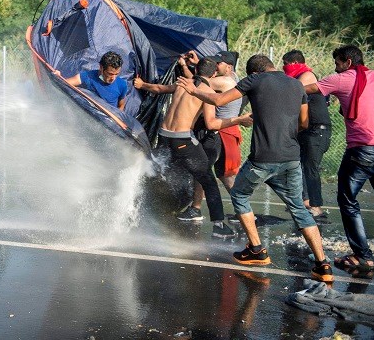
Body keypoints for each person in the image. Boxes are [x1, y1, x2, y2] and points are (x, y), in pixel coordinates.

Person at [177, 54, 334, 283]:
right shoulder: (297, 84)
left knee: (240, 195)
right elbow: (303, 123)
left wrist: (193, 91)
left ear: (254, 73)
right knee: (298, 208)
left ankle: (257, 249)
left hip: (263, 158)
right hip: (291, 157)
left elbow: (218, 101)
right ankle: (323, 264)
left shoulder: (254, 80)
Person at [135, 56, 252, 239]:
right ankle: (219, 226)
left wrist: (142, 84)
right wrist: (240, 119)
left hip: (164, 136)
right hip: (181, 140)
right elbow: (211, 124)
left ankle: (137, 210)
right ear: (214, 74)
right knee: (209, 181)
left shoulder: (183, 83)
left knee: (159, 172)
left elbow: (158, 88)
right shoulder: (205, 92)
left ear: (196, 70)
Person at [303, 45, 374, 274]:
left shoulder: (342, 78)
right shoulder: (371, 76)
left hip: (361, 149)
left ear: (348, 63)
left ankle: (363, 256)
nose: (336, 68)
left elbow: (306, 88)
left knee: (347, 200)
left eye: (337, 63)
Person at [176, 51, 245, 222]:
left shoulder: (225, 80)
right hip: (223, 132)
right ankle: (242, 210)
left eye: (218, 63)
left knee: (207, 171)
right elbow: (201, 81)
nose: (216, 66)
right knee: (221, 174)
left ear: (228, 67)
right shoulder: (229, 79)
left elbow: (197, 84)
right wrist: (198, 63)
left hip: (220, 132)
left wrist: (186, 66)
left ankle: (196, 209)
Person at [282, 50, 332, 222]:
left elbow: (293, 93)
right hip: (306, 130)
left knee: (310, 168)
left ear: (295, 63)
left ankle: (316, 208)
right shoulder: (296, 78)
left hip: (317, 130)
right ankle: (305, 202)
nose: (284, 68)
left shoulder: (308, 75)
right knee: (299, 166)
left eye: (286, 64)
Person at [56, 51, 127, 110]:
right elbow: (64, 83)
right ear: (101, 68)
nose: (113, 78)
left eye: (116, 74)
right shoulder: (88, 76)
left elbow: (121, 105)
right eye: (110, 74)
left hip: (108, 120)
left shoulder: (122, 85)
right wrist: (58, 77)